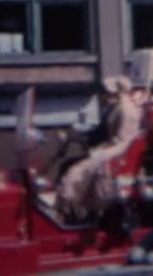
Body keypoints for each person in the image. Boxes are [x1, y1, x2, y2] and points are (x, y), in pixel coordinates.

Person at [57, 76, 143, 221]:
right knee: (67, 165)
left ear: (114, 92)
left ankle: (75, 208)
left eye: (104, 92)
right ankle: (76, 212)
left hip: (117, 155)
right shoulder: (114, 108)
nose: (101, 96)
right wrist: (78, 137)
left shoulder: (127, 111)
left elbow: (123, 143)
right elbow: (100, 132)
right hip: (108, 149)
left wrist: (98, 153)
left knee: (75, 172)